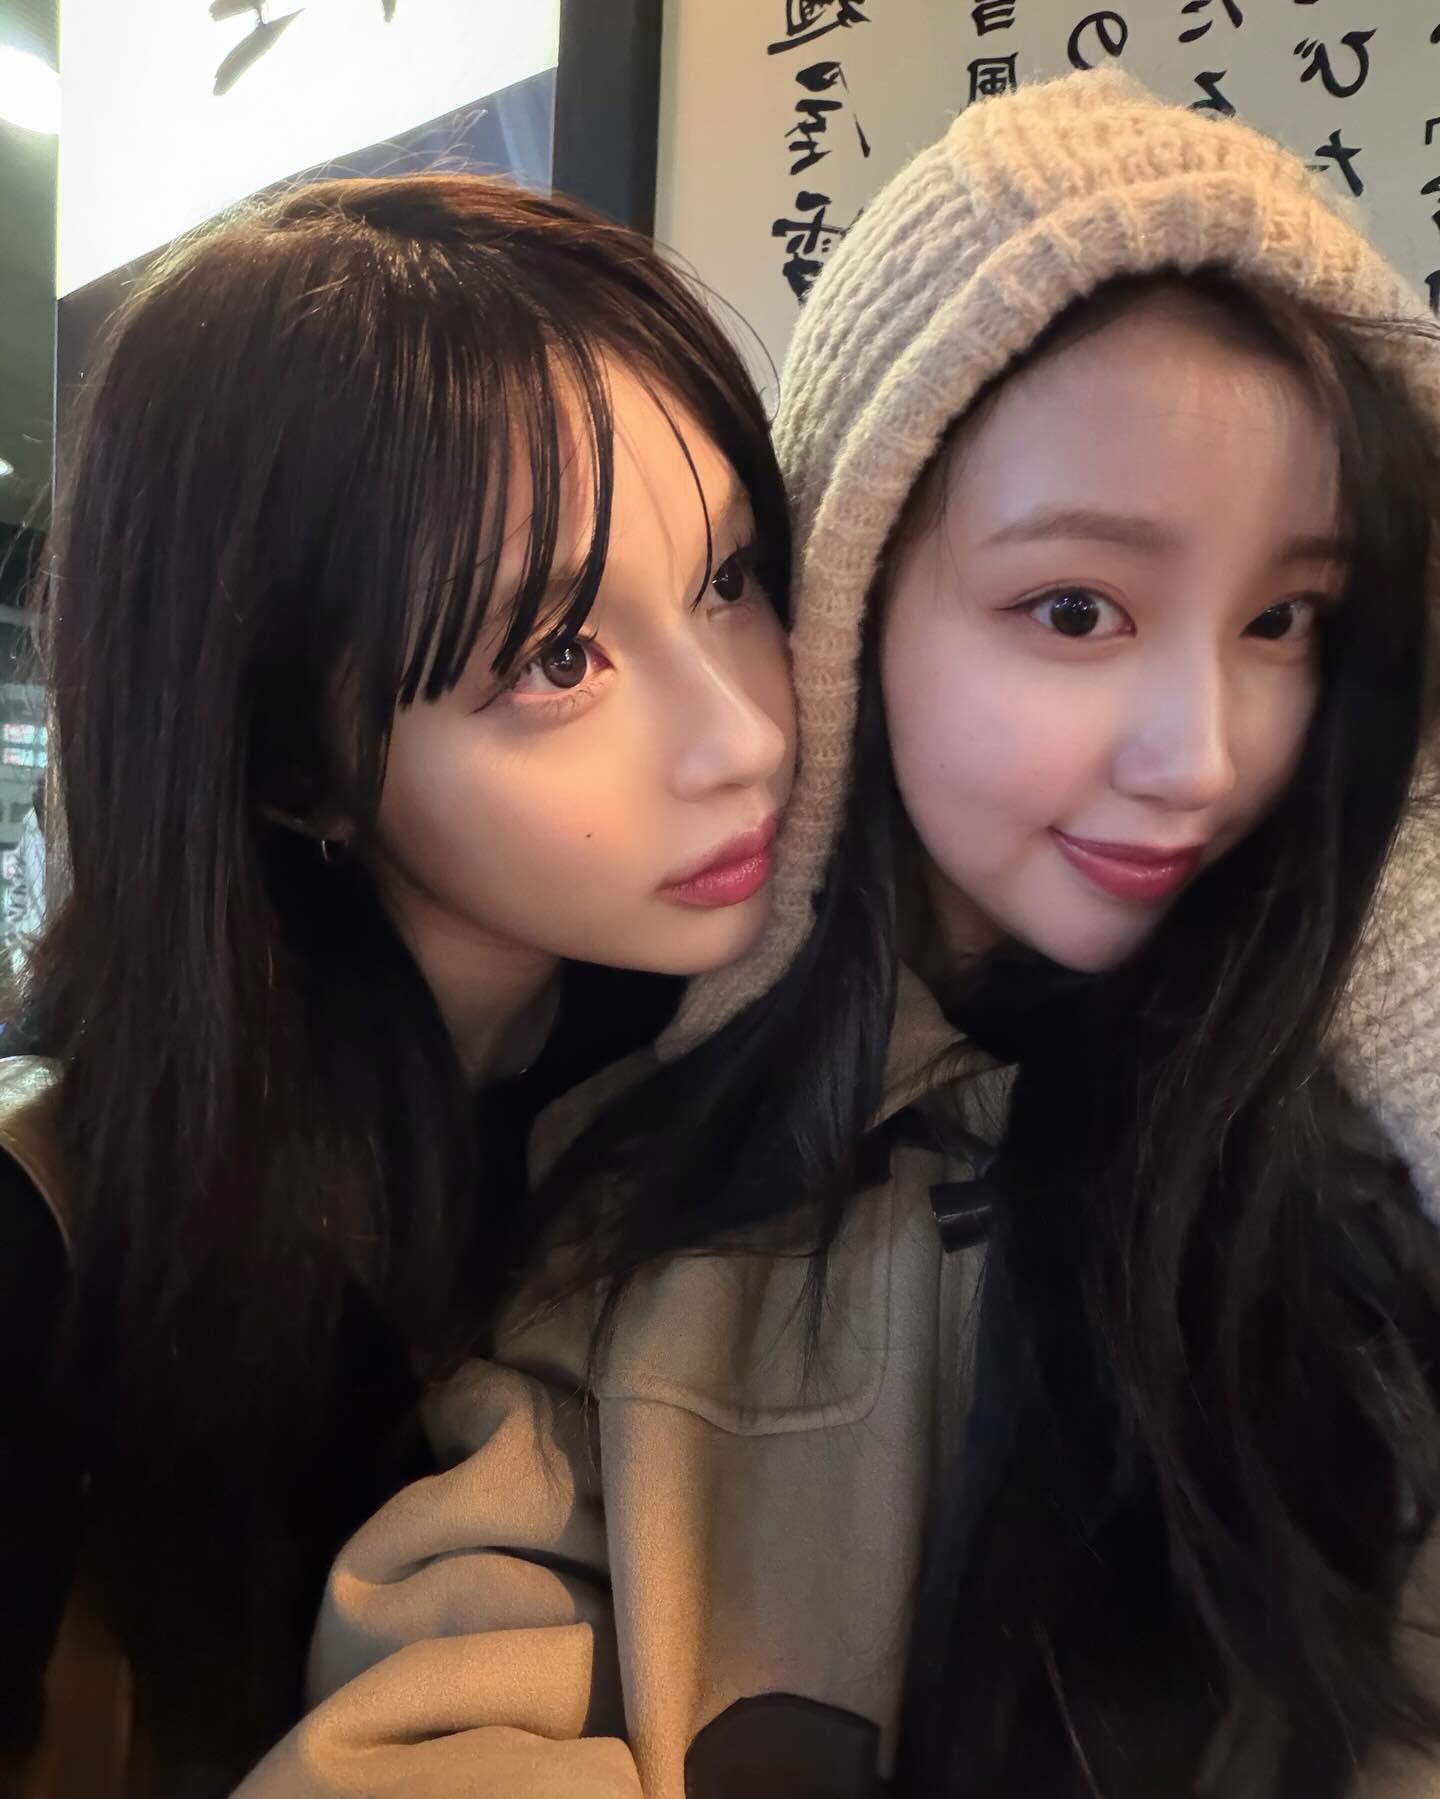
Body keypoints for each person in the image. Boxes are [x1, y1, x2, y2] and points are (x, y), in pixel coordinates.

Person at [264, 74, 1440, 1799]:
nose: (1202, 756)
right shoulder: (634, 1194)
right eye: (1076, 610)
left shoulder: (1359, 1206)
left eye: (1289, 620)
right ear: (855, 596)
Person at [0, 172, 796, 1797]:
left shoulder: (723, 1099)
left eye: (727, 579)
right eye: (561, 658)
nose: (745, 735)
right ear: (297, 767)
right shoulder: (46, 1241)